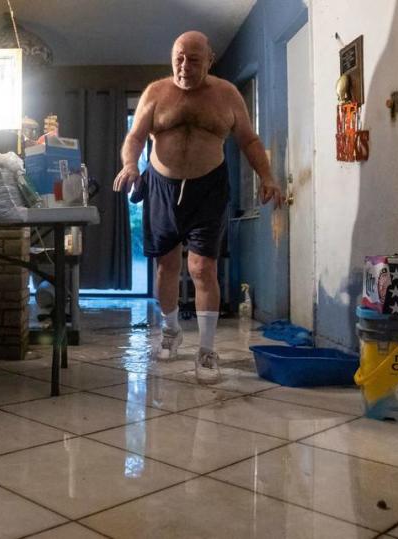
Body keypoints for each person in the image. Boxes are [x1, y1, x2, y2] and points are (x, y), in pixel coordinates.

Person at [113, 31, 283, 383]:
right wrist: (131, 165)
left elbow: (249, 139)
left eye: (193, 59)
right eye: (178, 57)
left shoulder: (227, 95)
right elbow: (135, 137)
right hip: (161, 186)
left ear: (210, 58)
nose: (184, 66)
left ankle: (206, 351)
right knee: (166, 266)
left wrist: (267, 176)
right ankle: (171, 330)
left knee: (203, 268)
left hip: (209, 188)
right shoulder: (156, 93)